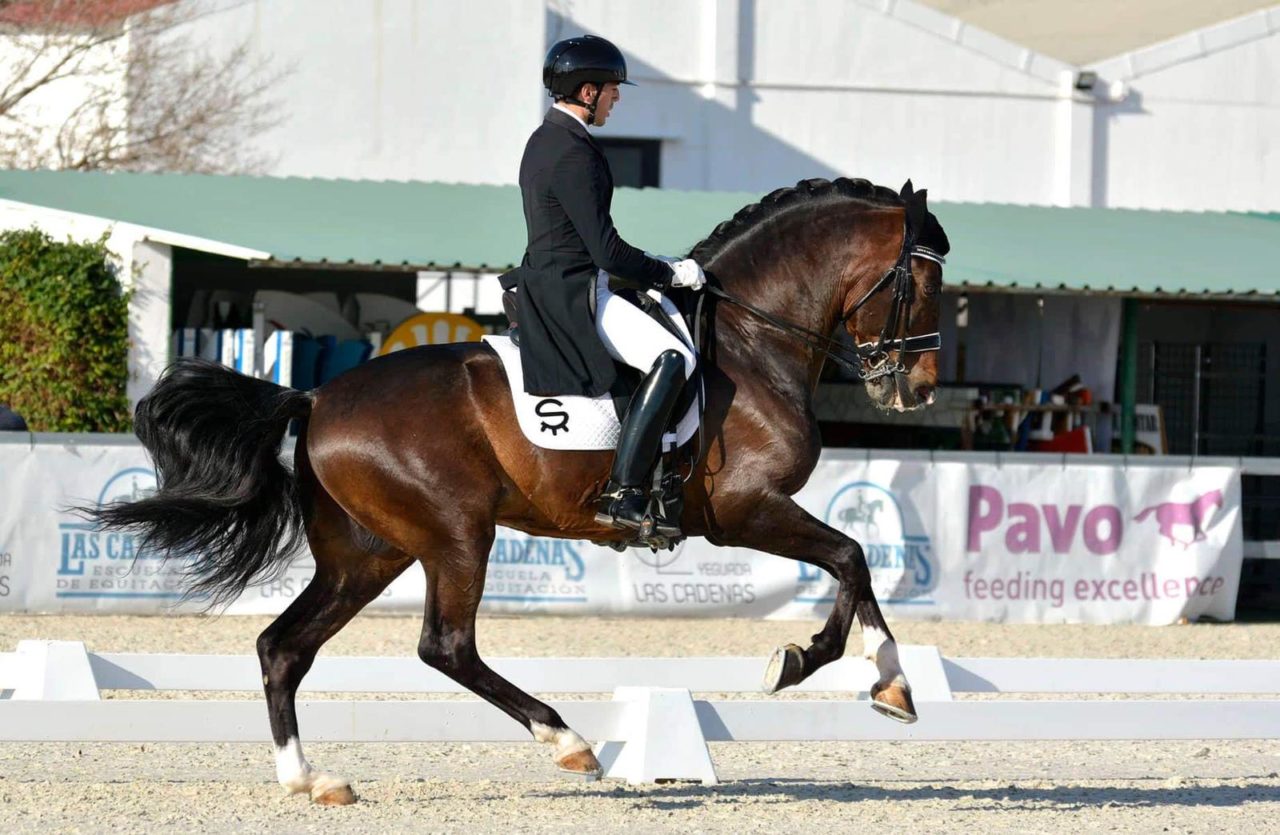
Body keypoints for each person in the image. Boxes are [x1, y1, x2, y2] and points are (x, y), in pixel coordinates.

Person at [513, 34, 705, 538]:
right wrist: (669, 272)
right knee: (674, 358)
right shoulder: (574, 151)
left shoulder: (544, 139)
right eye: (612, 90)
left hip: (558, 279)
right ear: (586, 91)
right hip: (574, 292)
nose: (617, 98)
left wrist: (651, 262)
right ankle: (625, 492)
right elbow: (604, 250)